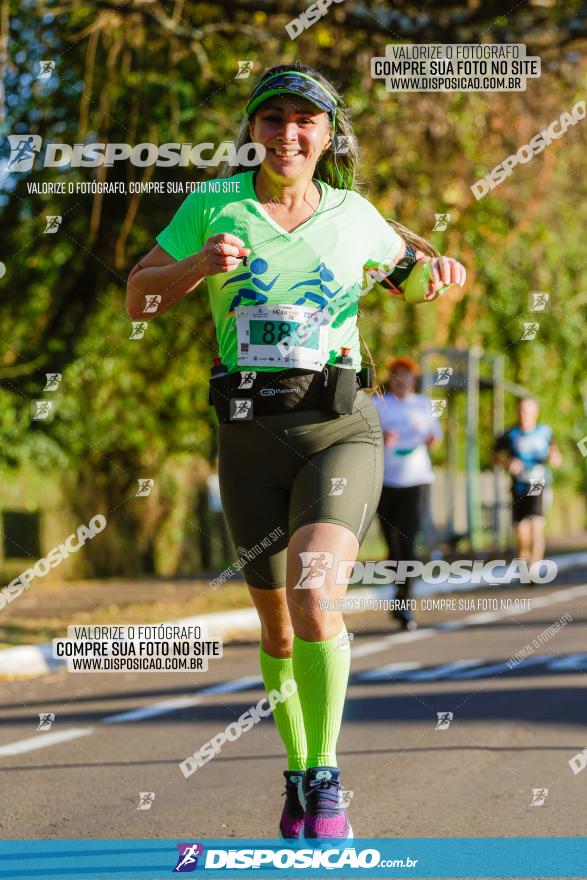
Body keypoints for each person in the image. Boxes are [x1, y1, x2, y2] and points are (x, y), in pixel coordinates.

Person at [126, 64, 466, 839]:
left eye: (304, 120)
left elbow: (413, 281)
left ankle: (326, 779)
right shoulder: (214, 205)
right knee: (278, 631)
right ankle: (296, 768)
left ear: (326, 135)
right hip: (247, 433)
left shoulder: (354, 213)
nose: (288, 133)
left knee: (317, 597)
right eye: (273, 118)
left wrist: (442, 274)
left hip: (339, 428)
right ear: (252, 131)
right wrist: (193, 268)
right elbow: (137, 297)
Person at [374, 357, 441, 631]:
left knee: (408, 542)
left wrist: (430, 439)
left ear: (414, 380)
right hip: (385, 481)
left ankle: (405, 603)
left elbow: (435, 436)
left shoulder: (423, 405)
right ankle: (398, 595)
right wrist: (381, 436)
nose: (402, 381)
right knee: (392, 543)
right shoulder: (378, 403)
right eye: (397, 376)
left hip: (416, 481)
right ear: (391, 378)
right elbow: (365, 437)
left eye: (408, 376)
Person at [493, 396, 561, 569]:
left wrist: (553, 458)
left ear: (535, 412)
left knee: (536, 523)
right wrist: (507, 462)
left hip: (539, 481)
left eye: (528, 411)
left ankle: (535, 566)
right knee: (521, 529)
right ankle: (525, 557)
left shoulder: (545, 432)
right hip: (518, 485)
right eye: (521, 411)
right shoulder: (510, 434)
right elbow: (494, 457)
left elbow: (556, 455)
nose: (524, 415)